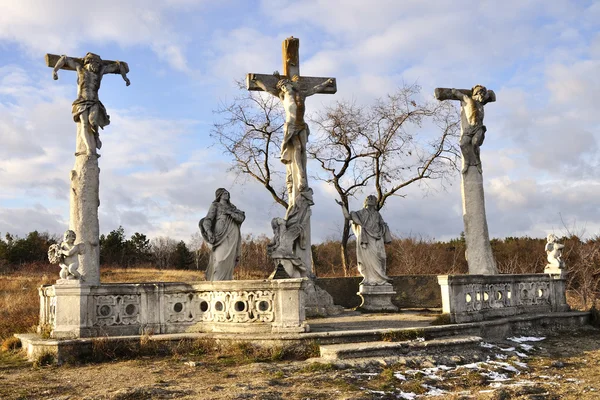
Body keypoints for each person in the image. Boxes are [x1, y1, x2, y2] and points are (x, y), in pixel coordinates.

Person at [251, 73, 334, 205]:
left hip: (301, 125)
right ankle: (300, 176)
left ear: (291, 84)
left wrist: (326, 83)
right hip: (290, 127)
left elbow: (314, 89)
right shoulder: (283, 96)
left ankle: (303, 174)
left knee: (303, 150)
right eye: (282, 87)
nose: (284, 88)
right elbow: (267, 88)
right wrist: (257, 81)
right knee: (297, 148)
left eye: (285, 85)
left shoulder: (301, 94)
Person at [52, 52, 130, 156]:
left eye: (99, 64)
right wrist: (55, 71)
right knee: (84, 124)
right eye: (96, 63)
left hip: (94, 101)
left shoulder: (100, 71)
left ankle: (96, 135)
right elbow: (65, 59)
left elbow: (118, 66)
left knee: (93, 121)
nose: (97, 66)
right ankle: (89, 149)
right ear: (89, 62)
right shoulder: (80, 69)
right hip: (81, 101)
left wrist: (125, 78)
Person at [337, 195, 392, 285]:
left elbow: (382, 224)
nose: (370, 201)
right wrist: (343, 206)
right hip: (366, 238)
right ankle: (369, 279)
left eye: (372, 199)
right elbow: (348, 216)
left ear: (374, 203)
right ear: (365, 202)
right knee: (367, 259)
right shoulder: (359, 213)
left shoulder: (377, 214)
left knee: (380, 257)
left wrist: (384, 227)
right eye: (368, 199)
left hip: (377, 238)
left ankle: (380, 279)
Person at [199, 189, 245, 281]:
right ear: (219, 195)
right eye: (224, 193)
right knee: (220, 261)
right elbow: (207, 220)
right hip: (220, 236)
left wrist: (230, 213)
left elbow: (241, 218)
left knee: (229, 263)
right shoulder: (215, 205)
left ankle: (226, 283)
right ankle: (216, 286)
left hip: (233, 235)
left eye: (227, 193)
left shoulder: (233, 208)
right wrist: (209, 232)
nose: (227, 194)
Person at [452, 85, 489, 174]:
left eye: (484, 94)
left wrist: (484, 91)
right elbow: (462, 96)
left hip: (479, 128)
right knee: (462, 144)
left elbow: (491, 96)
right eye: (481, 94)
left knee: (475, 143)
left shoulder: (482, 102)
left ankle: (478, 162)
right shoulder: (469, 101)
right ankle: (467, 162)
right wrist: (454, 92)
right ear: (476, 94)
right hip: (469, 129)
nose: (483, 96)